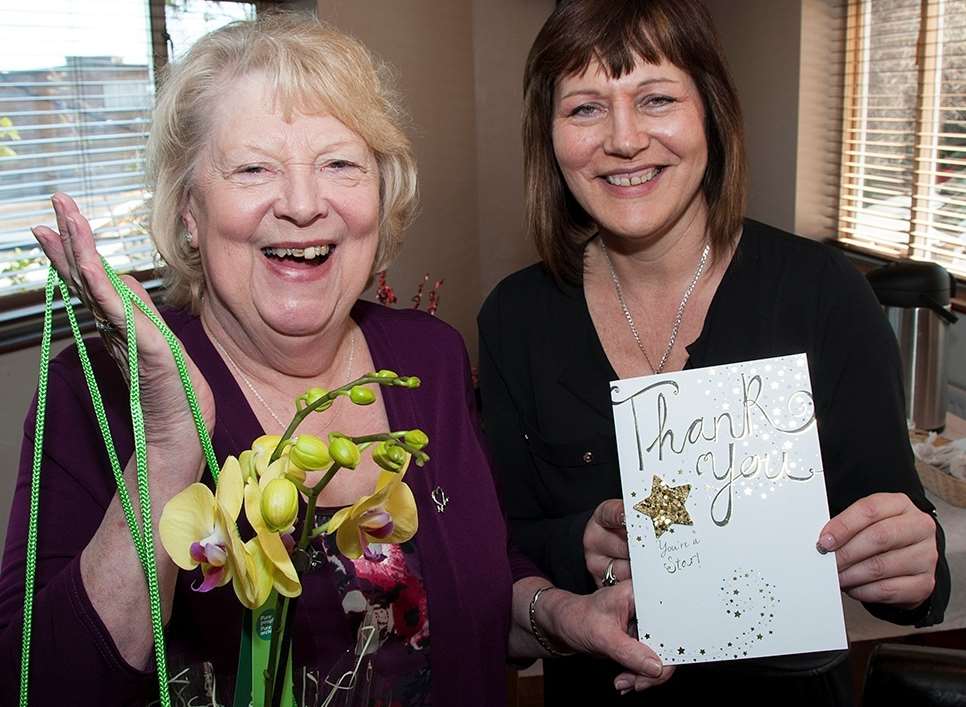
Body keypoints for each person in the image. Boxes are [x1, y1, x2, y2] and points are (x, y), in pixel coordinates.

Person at [0, 13, 666, 706]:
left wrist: (564, 615)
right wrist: (171, 443)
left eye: (340, 164)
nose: (302, 204)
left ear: (381, 194)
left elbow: (478, 585)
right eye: (254, 167)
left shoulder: (428, 357)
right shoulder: (99, 391)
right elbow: (39, 682)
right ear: (189, 210)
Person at [477, 1, 951, 704]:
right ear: (549, 136)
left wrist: (916, 561)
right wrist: (578, 541)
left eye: (657, 98)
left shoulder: (823, 297)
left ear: (711, 112)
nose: (624, 138)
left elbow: (902, 551)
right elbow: (499, 547)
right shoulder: (515, 318)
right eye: (584, 108)